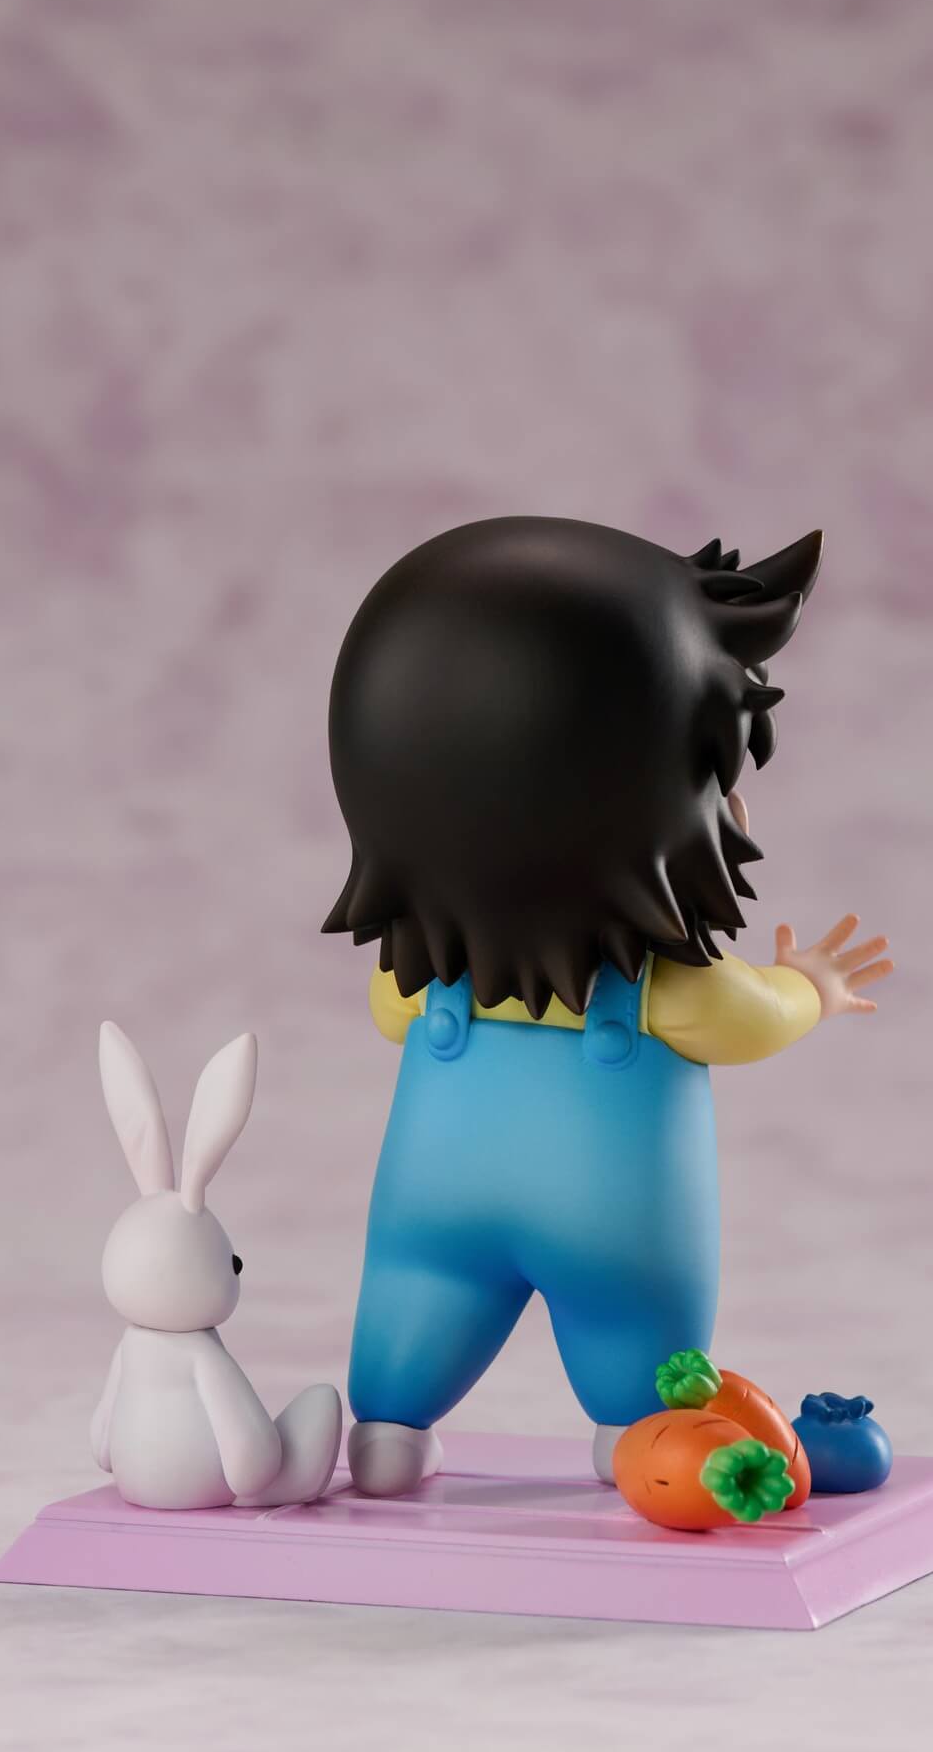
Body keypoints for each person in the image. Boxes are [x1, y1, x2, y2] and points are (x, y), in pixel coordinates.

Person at [323, 516, 893, 1494]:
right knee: (637, 1356)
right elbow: (752, 1018)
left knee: (409, 1317)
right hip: (621, 1234)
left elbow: (386, 1015)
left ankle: (387, 1433)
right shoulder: (669, 988)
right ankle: (634, 1439)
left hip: (431, 1208)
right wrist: (813, 985)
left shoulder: (422, 979)